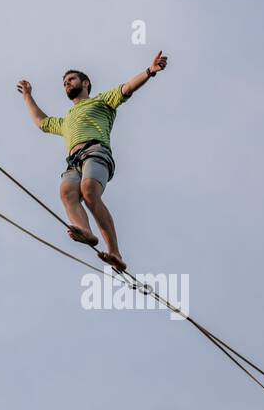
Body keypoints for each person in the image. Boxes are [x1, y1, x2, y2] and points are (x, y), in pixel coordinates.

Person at [16, 52, 168, 272]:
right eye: (64, 83)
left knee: (88, 190)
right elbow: (42, 122)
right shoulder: (66, 119)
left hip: (96, 152)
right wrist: (27, 96)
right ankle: (85, 231)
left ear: (85, 83)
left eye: (71, 79)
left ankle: (114, 251)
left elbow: (127, 88)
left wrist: (150, 71)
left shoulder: (102, 101)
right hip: (73, 161)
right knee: (67, 191)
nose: (67, 83)